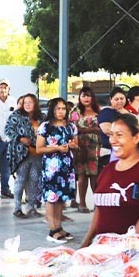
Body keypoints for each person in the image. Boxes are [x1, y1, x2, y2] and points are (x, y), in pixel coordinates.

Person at [81, 114, 139, 247]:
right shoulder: (108, 169)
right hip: (105, 250)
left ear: (136, 137)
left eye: (119, 135)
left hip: (136, 252)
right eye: (111, 135)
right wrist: (86, 244)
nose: (113, 140)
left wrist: (126, 249)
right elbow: (100, 210)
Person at [37, 98, 78, 243]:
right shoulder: (45, 126)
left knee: (61, 198)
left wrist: (72, 145)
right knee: (51, 197)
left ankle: (59, 227)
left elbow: (75, 144)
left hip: (66, 166)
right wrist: (57, 148)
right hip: (51, 167)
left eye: (63, 109)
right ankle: (52, 229)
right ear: (52, 110)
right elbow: (39, 148)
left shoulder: (71, 126)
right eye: (58, 109)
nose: (61, 112)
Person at [6, 93, 44, 218]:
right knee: (21, 180)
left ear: (35, 104)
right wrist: (20, 138)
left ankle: (31, 207)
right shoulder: (16, 115)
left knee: (34, 180)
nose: (27, 104)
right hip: (21, 153)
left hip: (37, 153)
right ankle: (17, 208)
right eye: (25, 102)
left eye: (30, 102)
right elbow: (8, 130)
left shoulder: (41, 117)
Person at [70, 86, 100, 213]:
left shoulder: (99, 110)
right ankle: (82, 203)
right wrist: (90, 130)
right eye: (83, 96)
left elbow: (103, 128)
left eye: (88, 95)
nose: (86, 98)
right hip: (81, 147)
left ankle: (98, 204)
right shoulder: (75, 111)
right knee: (82, 176)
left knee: (95, 176)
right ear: (80, 97)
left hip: (96, 147)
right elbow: (72, 128)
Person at [98, 87, 131, 169]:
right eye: (116, 99)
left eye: (122, 98)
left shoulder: (129, 113)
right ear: (111, 99)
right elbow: (107, 130)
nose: (120, 101)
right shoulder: (106, 112)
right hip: (109, 151)